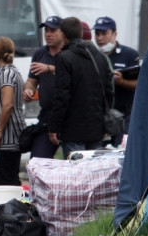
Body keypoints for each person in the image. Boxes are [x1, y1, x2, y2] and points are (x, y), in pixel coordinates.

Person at [45, 17, 114, 160]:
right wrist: (104, 122)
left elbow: (62, 96)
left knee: (76, 176)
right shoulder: (100, 57)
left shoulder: (64, 58)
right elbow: (109, 92)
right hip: (96, 126)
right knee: (93, 175)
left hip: (73, 129)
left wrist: (53, 127)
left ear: (63, 34)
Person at [93, 16, 142, 144]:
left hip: (125, 115)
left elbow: (141, 85)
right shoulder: (92, 56)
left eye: (104, 33)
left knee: (122, 150)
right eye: (97, 34)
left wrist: (121, 82)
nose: (99, 38)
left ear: (114, 34)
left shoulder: (129, 55)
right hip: (99, 116)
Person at [23, 16, 66, 159]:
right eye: (46, 30)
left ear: (63, 32)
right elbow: (32, 80)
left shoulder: (69, 52)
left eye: (53, 30)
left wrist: (49, 68)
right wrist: (28, 90)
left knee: (73, 164)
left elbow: (73, 72)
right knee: (37, 162)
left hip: (69, 118)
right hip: (47, 116)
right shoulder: (40, 53)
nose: (48, 34)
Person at [0, 37, 26, 186]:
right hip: (8, 131)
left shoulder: (6, 74)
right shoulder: (11, 72)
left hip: (9, 134)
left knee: (8, 178)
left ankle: (15, 207)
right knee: (9, 176)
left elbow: (8, 104)